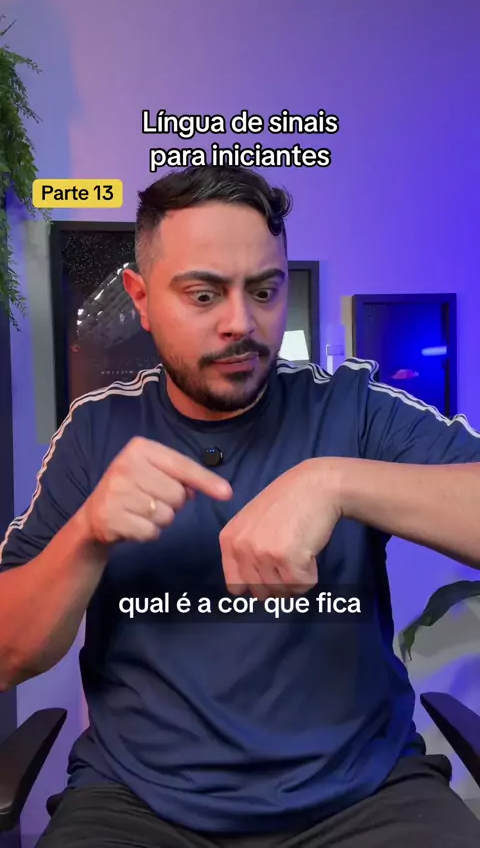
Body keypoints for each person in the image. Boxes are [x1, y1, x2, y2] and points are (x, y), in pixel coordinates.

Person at [1, 164, 480, 848]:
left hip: (363, 798)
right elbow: (8, 654)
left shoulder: (352, 409)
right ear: (141, 298)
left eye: (264, 290)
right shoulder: (96, 431)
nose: (241, 323)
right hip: (140, 806)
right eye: (203, 295)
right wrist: (88, 534)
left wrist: (336, 482)